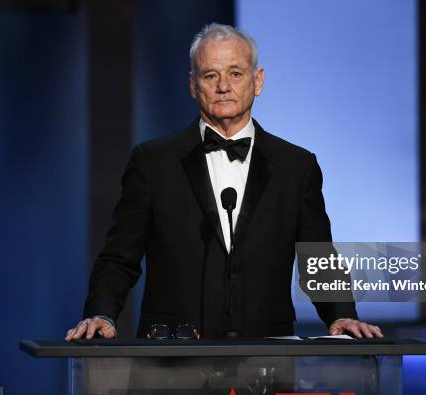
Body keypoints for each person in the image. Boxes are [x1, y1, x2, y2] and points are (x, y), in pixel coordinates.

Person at [66, 23, 382, 341]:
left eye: (235, 73)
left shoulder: (296, 166)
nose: (223, 87)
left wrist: (342, 314)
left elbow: (318, 257)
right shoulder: (153, 162)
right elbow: (120, 256)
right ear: (193, 85)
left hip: (267, 354)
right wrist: (101, 312)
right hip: (170, 356)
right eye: (210, 75)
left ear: (257, 81)